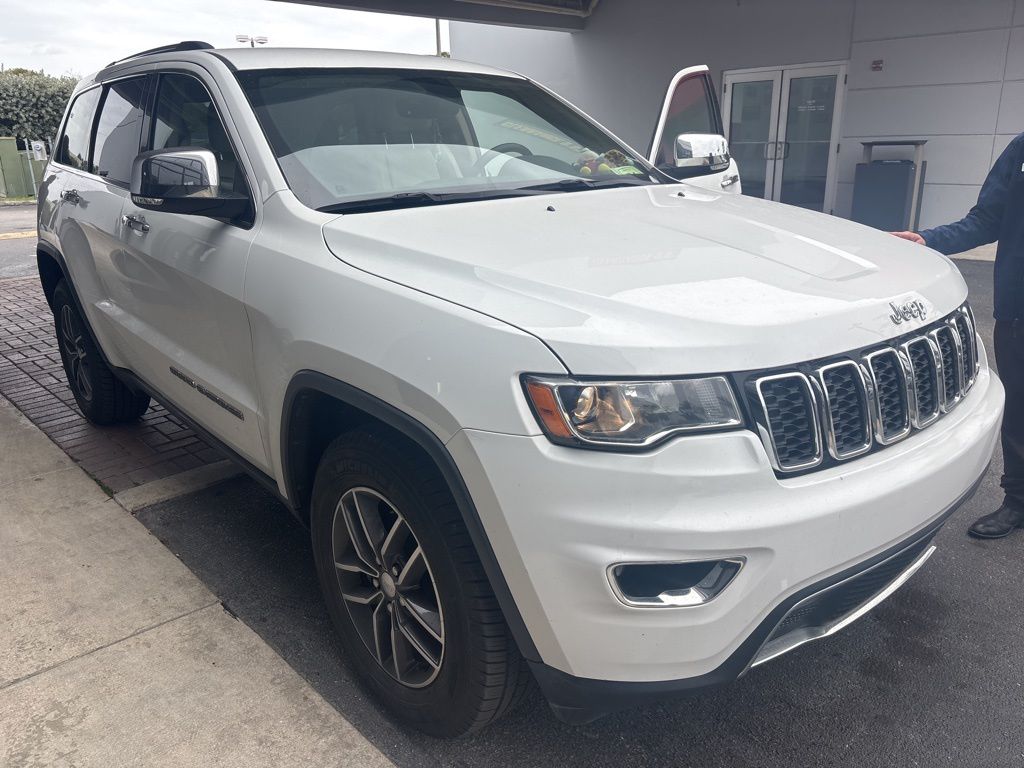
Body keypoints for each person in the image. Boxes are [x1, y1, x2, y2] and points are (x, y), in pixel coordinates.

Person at [892, 132, 1024, 538]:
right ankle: (1018, 501)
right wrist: (929, 240)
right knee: (1019, 411)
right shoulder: (1021, 150)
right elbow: (987, 219)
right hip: (1018, 311)